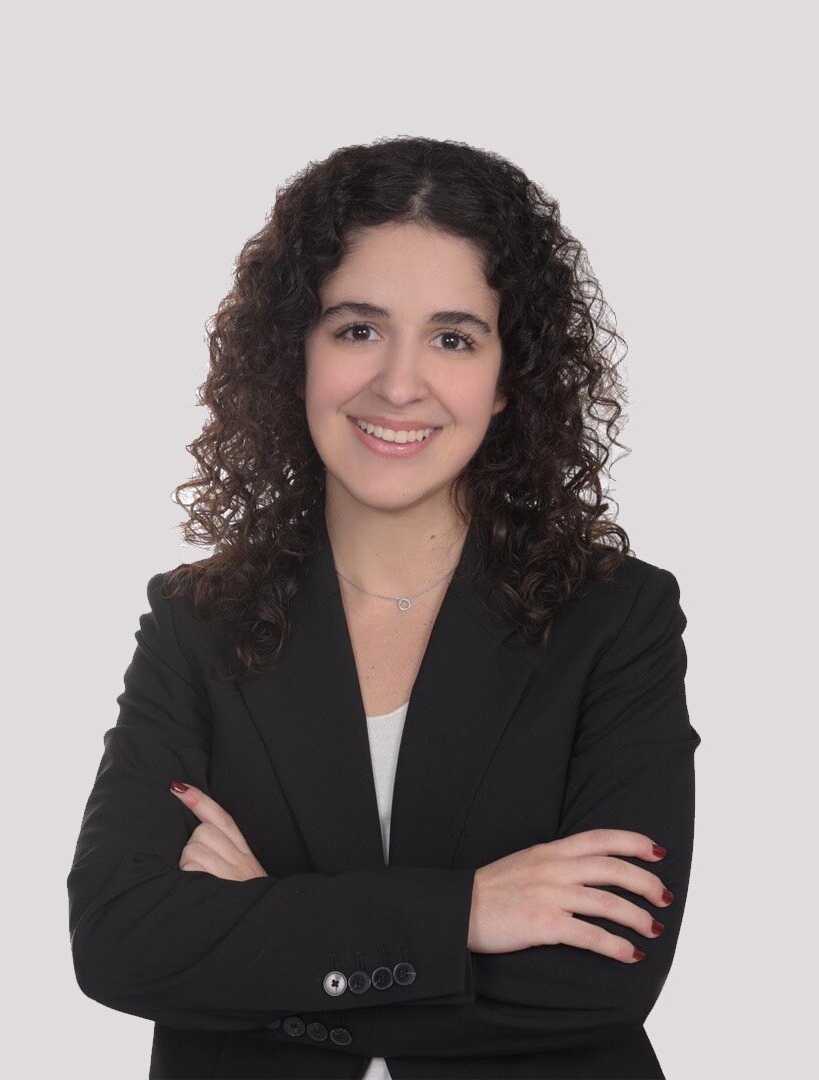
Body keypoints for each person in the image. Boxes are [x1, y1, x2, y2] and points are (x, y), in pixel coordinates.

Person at [67, 135, 702, 1080]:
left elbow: (601, 979)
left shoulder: (616, 620)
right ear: (295, 351)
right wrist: (468, 914)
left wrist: (268, 936)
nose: (399, 384)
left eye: (454, 338)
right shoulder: (198, 622)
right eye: (357, 329)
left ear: (509, 379)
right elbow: (119, 940)